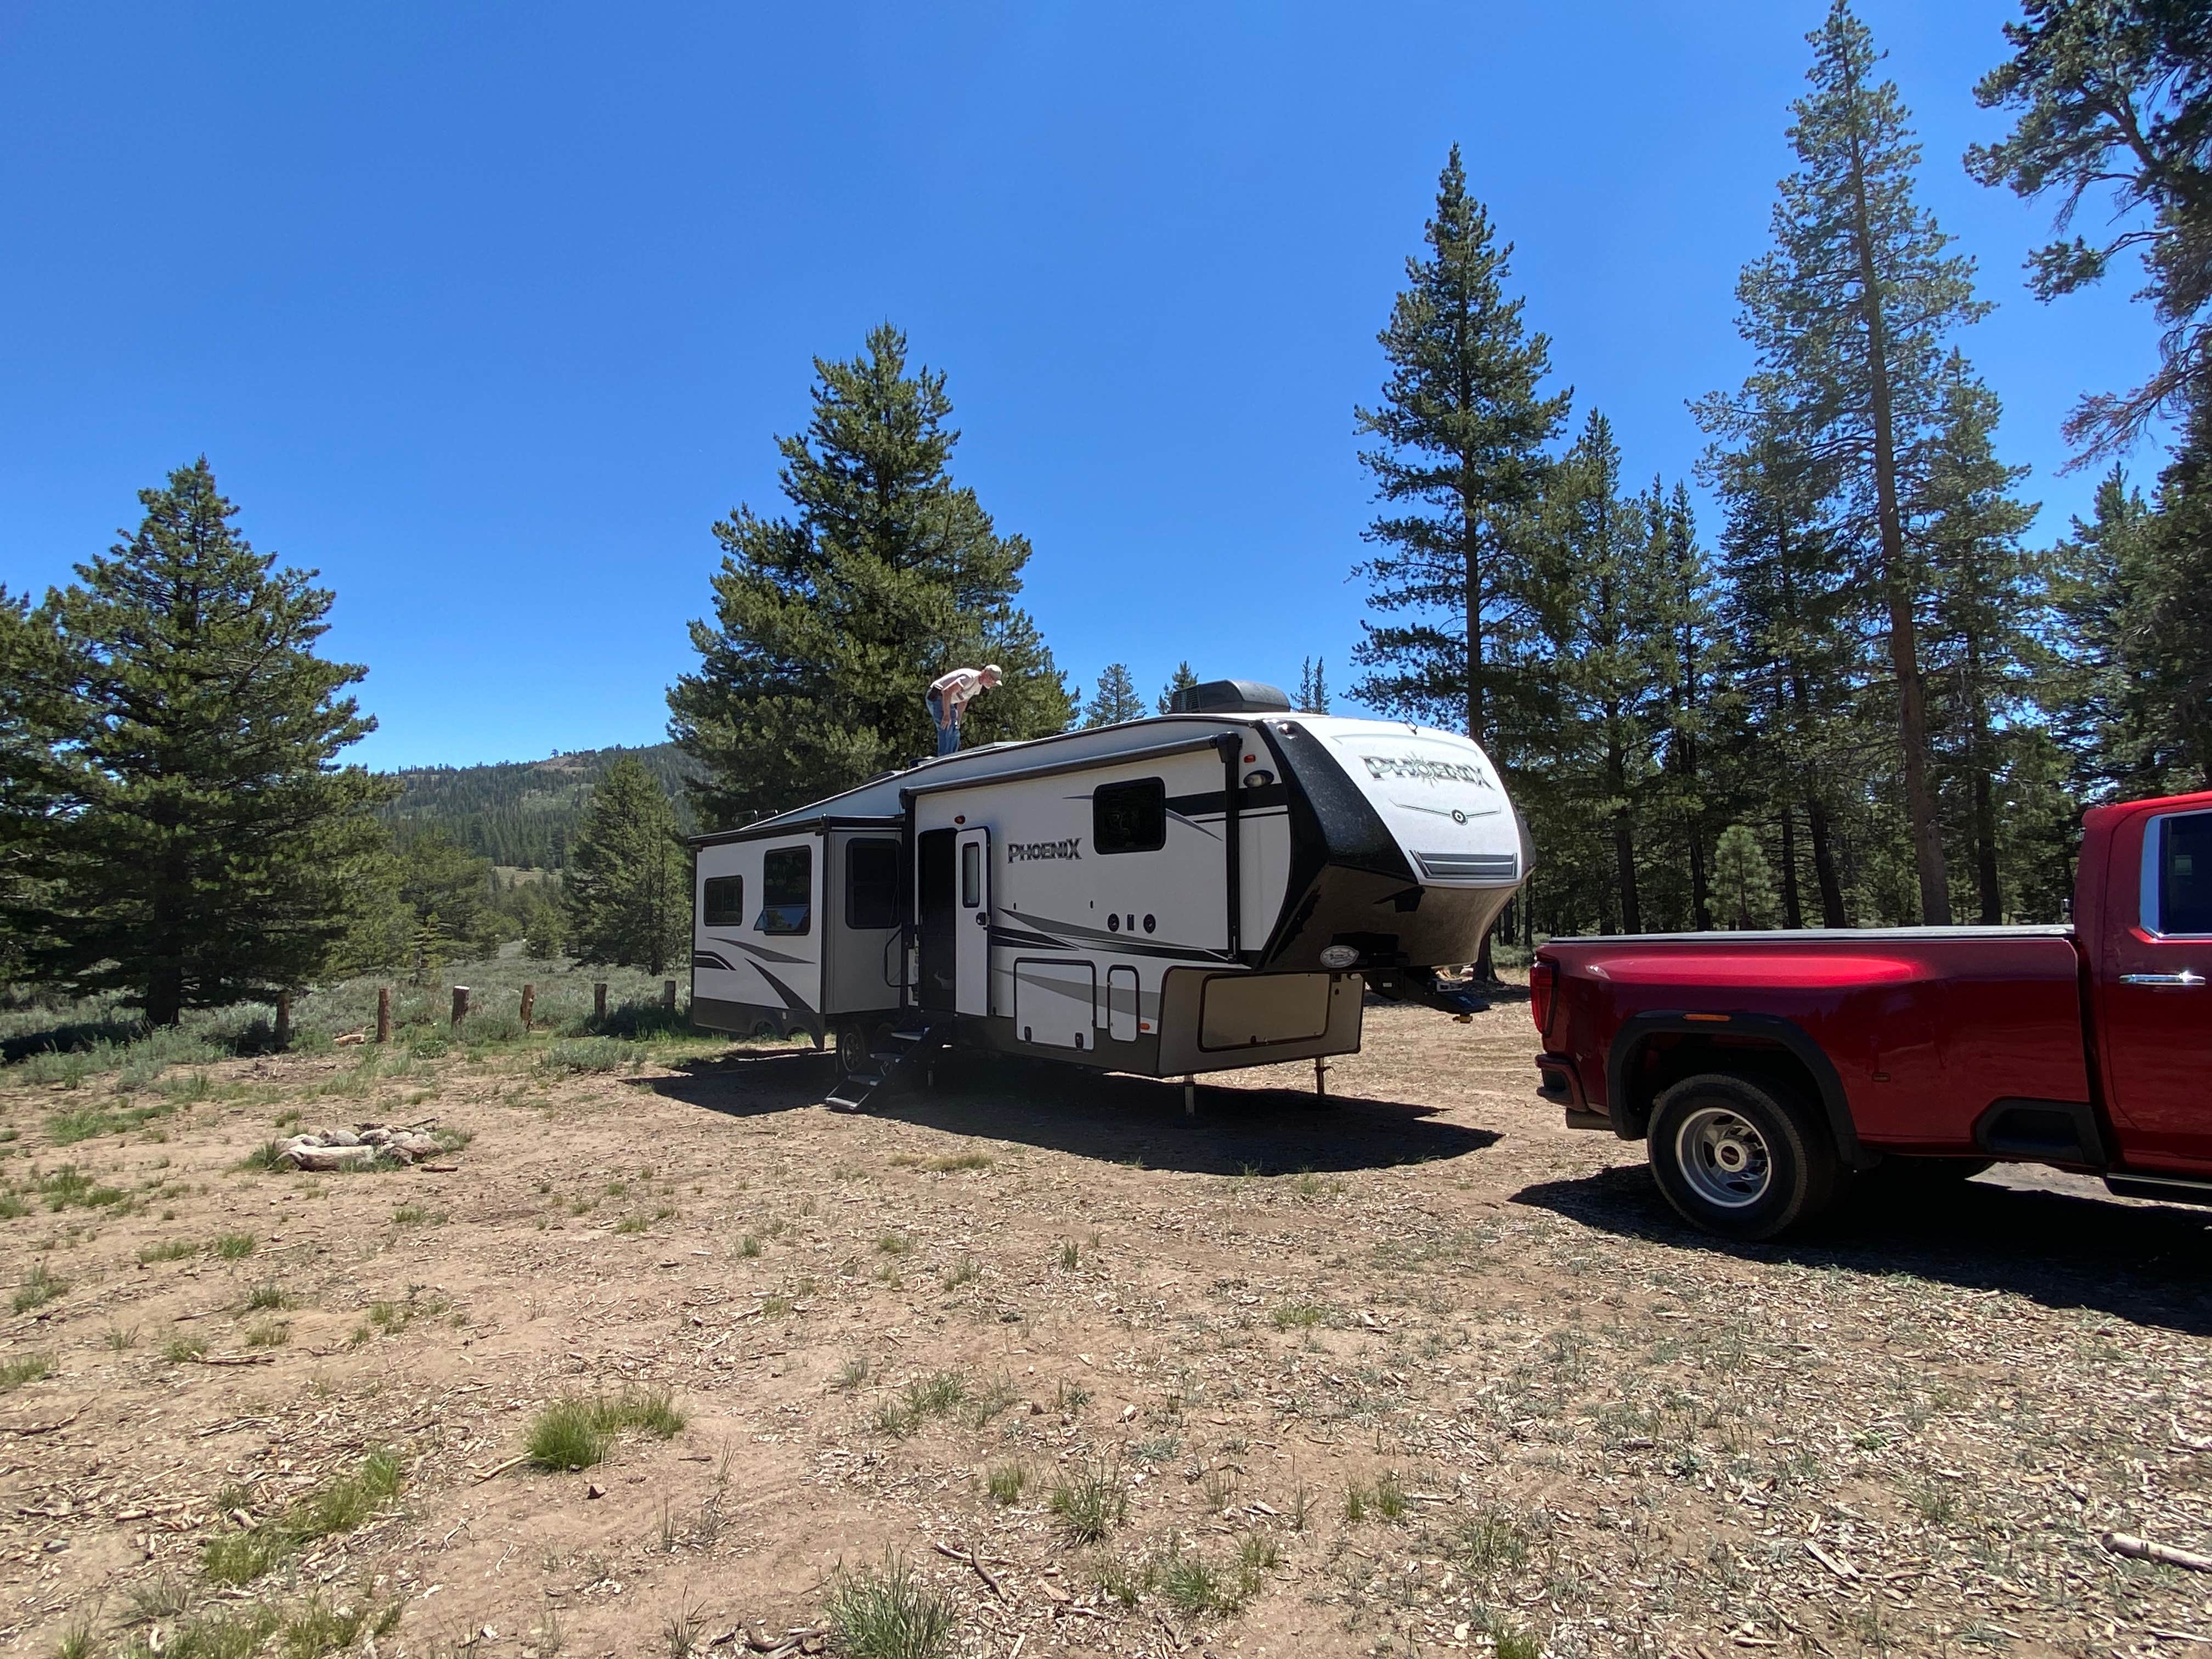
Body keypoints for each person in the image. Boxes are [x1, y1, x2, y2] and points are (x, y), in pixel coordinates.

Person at [926, 664, 1001, 757]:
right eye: (992, 680)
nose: (992, 684)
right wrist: (946, 715)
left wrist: (958, 720)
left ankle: (953, 756)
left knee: (956, 730)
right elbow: (947, 691)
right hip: (937, 696)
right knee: (946, 725)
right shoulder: (969, 678)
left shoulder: (978, 686)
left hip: (947, 700)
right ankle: (944, 757)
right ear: (985, 673)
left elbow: (964, 702)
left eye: (995, 683)